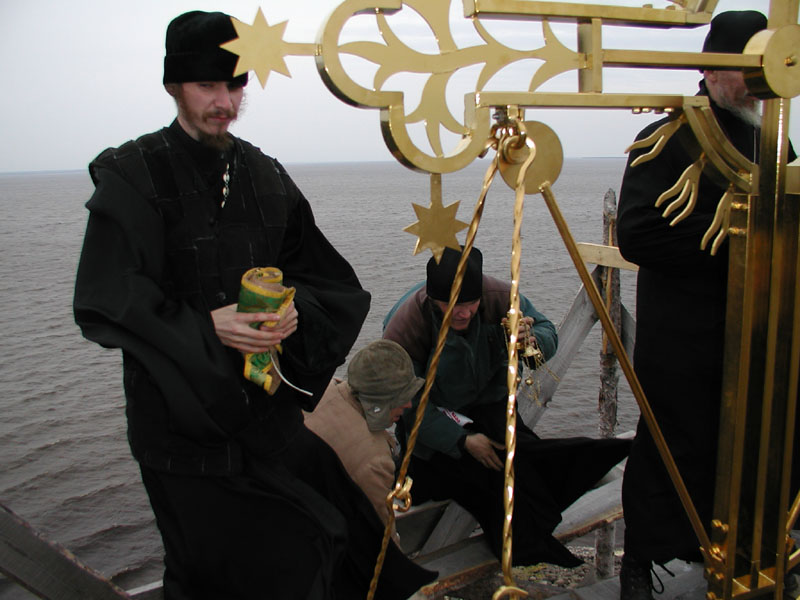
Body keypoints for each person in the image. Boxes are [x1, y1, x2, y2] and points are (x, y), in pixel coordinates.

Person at [73, 10, 435, 600]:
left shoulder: (265, 175)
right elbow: (106, 297)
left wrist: (296, 311)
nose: (224, 102)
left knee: (344, 538)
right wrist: (205, 327)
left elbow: (327, 281)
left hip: (268, 420)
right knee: (218, 575)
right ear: (173, 86)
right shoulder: (134, 175)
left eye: (234, 85)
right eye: (206, 86)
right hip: (181, 435)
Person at [616, 11, 798, 600]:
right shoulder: (667, 137)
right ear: (710, 70)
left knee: (757, 445)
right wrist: (737, 245)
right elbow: (637, 234)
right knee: (670, 449)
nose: (755, 84)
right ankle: (644, 560)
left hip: (759, 333)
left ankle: (753, 553)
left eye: (763, 69)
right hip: (684, 337)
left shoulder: (773, 139)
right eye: (745, 69)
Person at [383, 246, 631, 568]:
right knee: (487, 477)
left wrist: (530, 342)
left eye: (470, 304)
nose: (463, 313)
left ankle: (532, 538)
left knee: (520, 455)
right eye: (452, 305)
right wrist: (463, 441)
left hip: (488, 403)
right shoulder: (406, 327)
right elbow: (408, 406)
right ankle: (527, 544)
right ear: (433, 299)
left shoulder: (499, 298)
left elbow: (545, 336)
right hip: (434, 420)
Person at [304, 340, 424, 540]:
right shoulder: (374, 460)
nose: (409, 405)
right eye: (400, 397)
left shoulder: (324, 390)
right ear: (380, 400)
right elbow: (380, 535)